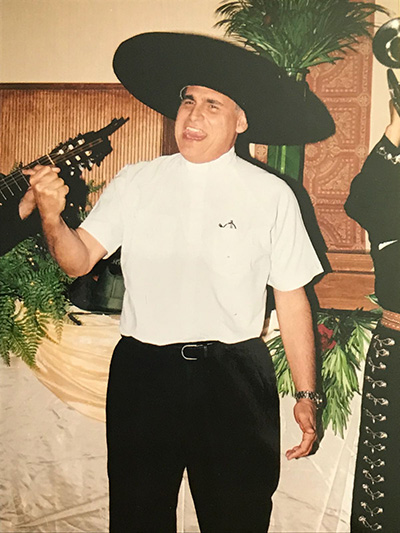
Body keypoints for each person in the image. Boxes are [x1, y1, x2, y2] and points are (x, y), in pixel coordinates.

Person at [24, 32, 334, 533]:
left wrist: (307, 394)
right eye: (188, 100)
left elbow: (293, 298)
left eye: (214, 105)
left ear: (241, 121)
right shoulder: (135, 182)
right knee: (138, 518)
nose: (193, 116)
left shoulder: (272, 195)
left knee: (239, 518)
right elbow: (78, 262)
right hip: (145, 375)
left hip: (235, 377)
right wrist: (53, 220)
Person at [345, 102, 400, 533]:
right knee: (385, 486)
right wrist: (395, 132)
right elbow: (359, 201)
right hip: (397, 349)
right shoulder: (389, 188)